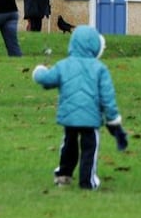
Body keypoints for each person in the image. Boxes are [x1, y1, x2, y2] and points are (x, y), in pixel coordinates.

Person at [32, 25, 127, 190]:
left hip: (69, 117)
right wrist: (113, 121)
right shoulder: (100, 69)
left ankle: (63, 174)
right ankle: (87, 181)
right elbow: (108, 98)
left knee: (69, 145)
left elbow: (47, 79)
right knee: (90, 148)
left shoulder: (63, 65)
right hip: (90, 119)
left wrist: (39, 71)